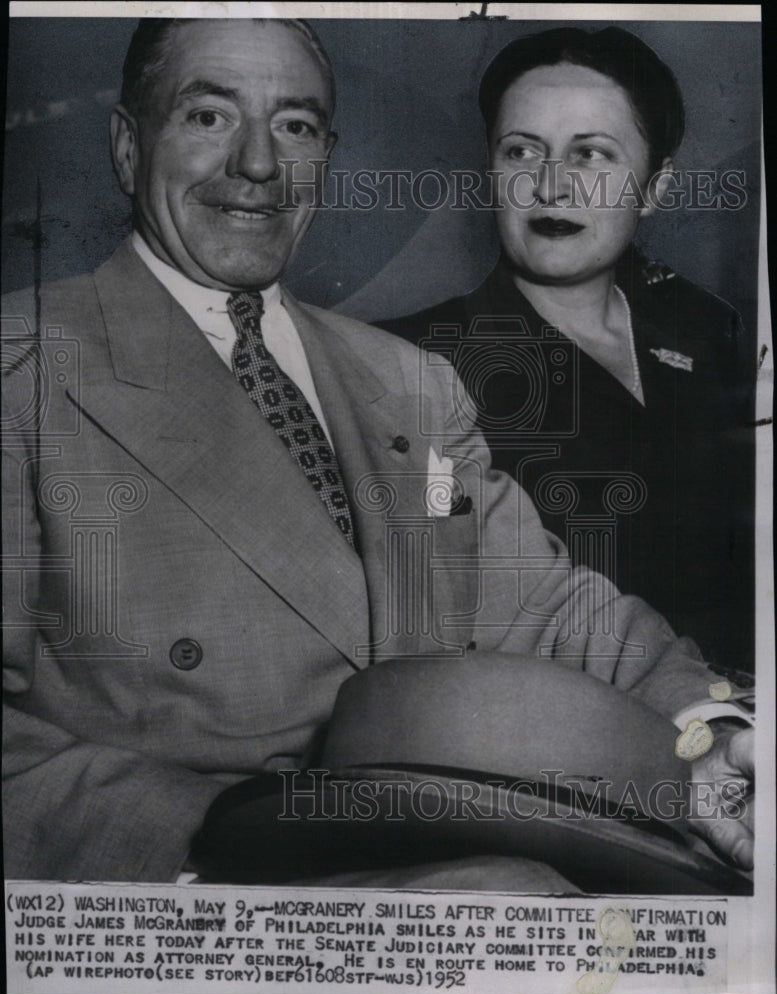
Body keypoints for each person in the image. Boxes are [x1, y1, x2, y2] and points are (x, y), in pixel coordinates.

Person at [2, 18, 753, 886]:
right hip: (200, 880)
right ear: (129, 147)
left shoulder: (404, 376)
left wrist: (712, 738)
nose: (256, 164)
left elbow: (551, 608)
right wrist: (222, 840)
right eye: (207, 117)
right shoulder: (25, 366)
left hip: (446, 847)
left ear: (326, 154)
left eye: (294, 125)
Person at [381, 26, 755, 674]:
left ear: (655, 185)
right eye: (522, 151)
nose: (551, 186)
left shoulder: (709, 335)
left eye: (590, 155)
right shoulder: (415, 360)